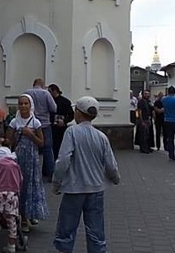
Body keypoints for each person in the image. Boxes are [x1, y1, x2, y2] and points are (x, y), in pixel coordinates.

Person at [52, 96, 120, 253]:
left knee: (66, 230)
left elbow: (63, 161)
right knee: (96, 231)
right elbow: (110, 164)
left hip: (73, 189)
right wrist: (115, 178)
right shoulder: (101, 137)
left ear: (79, 113)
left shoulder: (71, 132)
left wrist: (57, 182)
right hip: (96, 189)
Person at [6, 93, 48, 233]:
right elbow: (9, 141)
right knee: (20, 186)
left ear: (30, 106)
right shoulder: (14, 122)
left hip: (32, 159)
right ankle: (22, 217)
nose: (23, 106)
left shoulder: (36, 123)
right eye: (21, 104)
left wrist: (31, 134)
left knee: (32, 186)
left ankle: (32, 213)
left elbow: (42, 143)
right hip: (18, 159)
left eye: (26, 104)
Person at [23, 78, 57, 182]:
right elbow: (53, 108)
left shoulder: (27, 93)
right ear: (42, 85)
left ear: (33, 84)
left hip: (30, 124)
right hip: (44, 124)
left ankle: (29, 173)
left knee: (30, 149)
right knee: (48, 149)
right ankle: (50, 174)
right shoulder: (46, 93)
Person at [48, 84, 74, 160]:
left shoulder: (65, 102)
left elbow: (71, 115)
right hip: (51, 127)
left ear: (55, 91)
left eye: (50, 91)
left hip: (61, 129)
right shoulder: (49, 101)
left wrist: (64, 121)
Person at [134, 90, 155, 154]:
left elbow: (151, 110)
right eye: (146, 94)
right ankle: (143, 148)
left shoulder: (148, 102)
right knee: (143, 135)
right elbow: (138, 111)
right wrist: (141, 120)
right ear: (143, 95)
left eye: (148, 94)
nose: (147, 95)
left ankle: (147, 147)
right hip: (143, 120)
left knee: (147, 134)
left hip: (148, 119)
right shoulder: (141, 102)